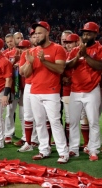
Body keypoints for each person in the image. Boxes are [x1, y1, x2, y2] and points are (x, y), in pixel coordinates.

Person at [20, 21, 69, 163]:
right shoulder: (32, 51)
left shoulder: (57, 49)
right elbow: (26, 74)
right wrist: (29, 62)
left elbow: (60, 69)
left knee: (55, 122)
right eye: (35, 34)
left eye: (40, 33)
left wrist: (43, 61)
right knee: (40, 122)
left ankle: (63, 152)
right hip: (35, 91)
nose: (37, 36)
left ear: (47, 32)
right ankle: (44, 150)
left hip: (51, 91)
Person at [65, 22, 102, 161]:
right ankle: (73, 149)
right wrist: (79, 55)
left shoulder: (101, 49)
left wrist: (87, 56)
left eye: (89, 33)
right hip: (75, 90)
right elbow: (67, 66)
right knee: (73, 121)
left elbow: (100, 66)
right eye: (84, 33)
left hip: (92, 90)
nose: (86, 35)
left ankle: (93, 150)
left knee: (93, 121)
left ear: (95, 34)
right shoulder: (75, 50)